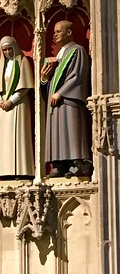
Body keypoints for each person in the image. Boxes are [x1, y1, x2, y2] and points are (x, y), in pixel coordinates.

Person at [41, 20, 91, 178]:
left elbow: (77, 76)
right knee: (57, 134)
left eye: (58, 31)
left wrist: (60, 93)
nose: (55, 34)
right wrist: (44, 79)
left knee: (71, 132)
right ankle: (59, 165)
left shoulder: (77, 51)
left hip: (69, 100)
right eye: (54, 31)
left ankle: (76, 164)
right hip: (56, 102)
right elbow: (53, 80)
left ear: (69, 32)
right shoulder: (59, 54)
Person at [0, 36, 34, 178]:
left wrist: (11, 100)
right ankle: (3, 171)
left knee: (18, 136)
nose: (7, 52)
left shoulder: (22, 62)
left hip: (17, 104)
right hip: (3, 106)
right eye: (5, 50)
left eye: (9, 49)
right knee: (3, 139)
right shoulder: (2, 65)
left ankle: (20, 171)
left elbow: (25, 86)